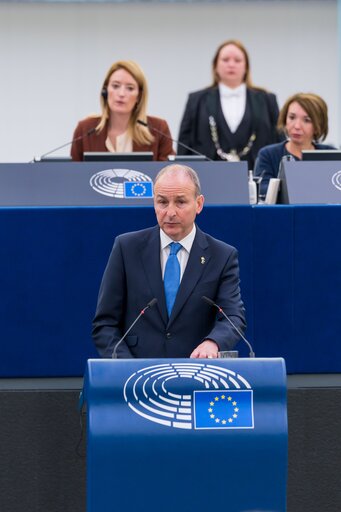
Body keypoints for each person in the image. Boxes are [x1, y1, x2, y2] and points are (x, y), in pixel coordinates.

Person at [92, 164, 246, 359]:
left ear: (198, 204)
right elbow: (105, 324)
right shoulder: (127, 248)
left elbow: (233, 317)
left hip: (195, 371)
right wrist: (128, 368)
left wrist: (213, 342)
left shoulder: (222, 255)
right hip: (135, 374)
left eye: (180, 202)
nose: (170, 212)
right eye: (162, 202)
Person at [177, 40, 281, 169]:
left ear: (246, 67)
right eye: (225, 60)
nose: (231, 64)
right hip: (206, 177)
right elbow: (184, 145)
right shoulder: (197, 100)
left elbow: (280, 143)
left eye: (237, 60)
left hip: (258, 176)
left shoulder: (267, 100)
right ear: (215, 66)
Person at [71, 60, 174, 161]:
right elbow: (72, 174)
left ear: (139, 96)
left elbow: (170, 175)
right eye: (115, 86)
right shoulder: (85, 129)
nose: (121, 94)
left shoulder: (159, 129)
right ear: (105, 91)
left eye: (130, 88)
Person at [254, 92, 335, 198]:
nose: (297, 126)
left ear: (318, 124)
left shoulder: (331, 155)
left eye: (306, 120)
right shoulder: (268, 154)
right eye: (292, 117)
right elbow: (262, 192)